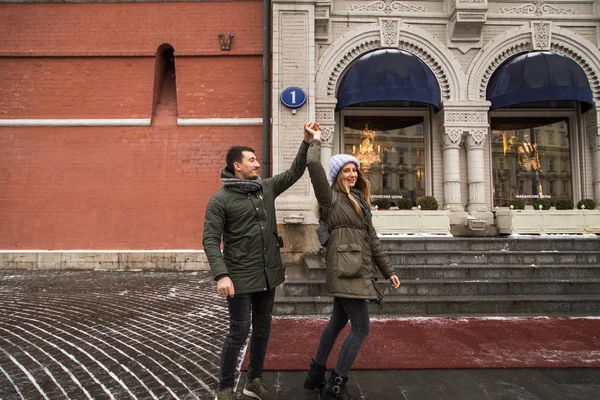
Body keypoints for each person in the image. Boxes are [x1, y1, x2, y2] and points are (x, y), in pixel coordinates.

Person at [203, 130, 314, 400]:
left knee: (263, 330)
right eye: (251, 160)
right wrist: (222, 276)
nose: (257, 164)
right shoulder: (220, 200)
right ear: (236, 166)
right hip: (240, 277)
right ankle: (226, 387)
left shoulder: (266, 188)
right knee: (238, 333)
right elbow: (209, 239)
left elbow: (294, 172)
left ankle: (254, 381)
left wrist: (306, 142)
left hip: (269, 275)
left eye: (256, 160)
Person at [302, 122, 400, 400]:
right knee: (361, 328)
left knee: (336, 323)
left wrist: (388, 270)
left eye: (354, 170)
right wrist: (315, 141)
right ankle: (336, 383)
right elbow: (314, 168)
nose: (352, 174)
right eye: (346, 170)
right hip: (346, 270)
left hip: (357, 269)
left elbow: (373, 239)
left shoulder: (360, 201)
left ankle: (315, 375)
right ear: (337, 176)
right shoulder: (331, 198)